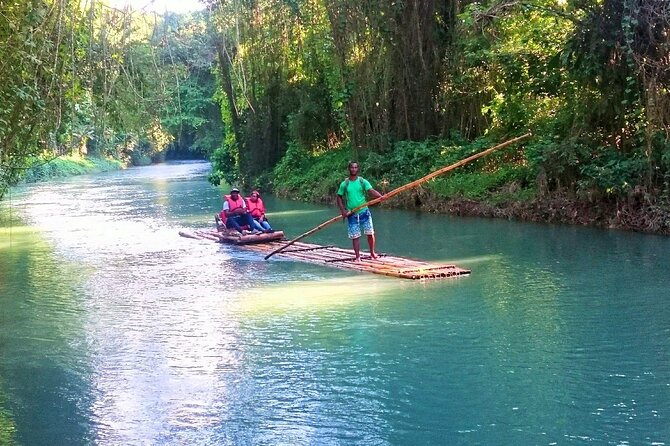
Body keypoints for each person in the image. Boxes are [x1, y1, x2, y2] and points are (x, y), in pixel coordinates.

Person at [336, 161, 383, 262]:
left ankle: (372, 253)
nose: (353, 169)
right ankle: (358, 257)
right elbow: (339, 197)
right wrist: (343, 210)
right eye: (352, 168)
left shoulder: (362, 181)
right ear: (349, 169)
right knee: (355, 236)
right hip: (351, 214)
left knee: (370, 233)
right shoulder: (345, 184)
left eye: (355, 167)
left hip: (364, 212)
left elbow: (371, 190)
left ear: (358, 169)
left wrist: (380, 197)